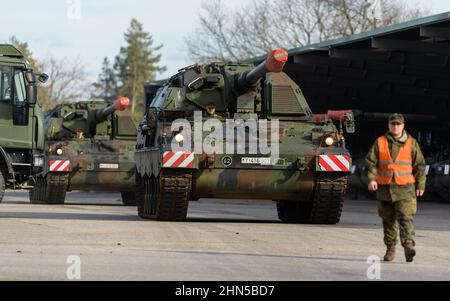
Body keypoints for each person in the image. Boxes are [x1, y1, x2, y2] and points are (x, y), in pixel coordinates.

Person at [365, 114, 426, 263]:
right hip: (385, 189)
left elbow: (420, 165)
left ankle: (408, 246)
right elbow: (371, 162)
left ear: (403, 126)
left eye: (398, 124)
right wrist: (372, 179)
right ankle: (390, 249)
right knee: (388, 221)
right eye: (393, 124)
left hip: (405, 188)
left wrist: (421, 184)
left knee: (406, 218)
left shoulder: (411, 143)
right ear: (389, 125)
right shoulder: (380, 142)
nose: (395, 127)